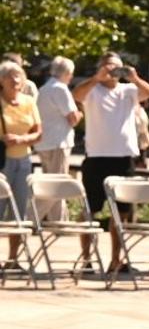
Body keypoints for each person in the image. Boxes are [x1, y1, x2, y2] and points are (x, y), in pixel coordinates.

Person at [74, 52, 149, 272]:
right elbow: (77, 95)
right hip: (96, 157)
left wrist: (134, 77)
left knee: (122, 213)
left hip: (123, 158)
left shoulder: (128, 90)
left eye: (117, 68)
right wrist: (96, 78)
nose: (113, 72)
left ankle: (115, 260)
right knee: (90, 209)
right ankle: (86, 259)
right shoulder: (93, 90)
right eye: (109, 68)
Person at [1, 61, 42, 268]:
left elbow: (38, 132)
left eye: (18, 75)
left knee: (18, 210)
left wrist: (21, 140)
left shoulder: (28, 101)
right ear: (1, 80)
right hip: (2, 161)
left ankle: (13, 259)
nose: (15, 80)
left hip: (23, 159)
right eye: (10, 75)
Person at [32, 57, 81, 223]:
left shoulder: (45, 88)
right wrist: (80, 114)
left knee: (53, 183)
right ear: (67, 73)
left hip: (45, 142)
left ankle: (59, 222)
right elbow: (73, 118)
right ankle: (30, 217)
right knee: (57, 185)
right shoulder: (60, 89)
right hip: (58, 142)